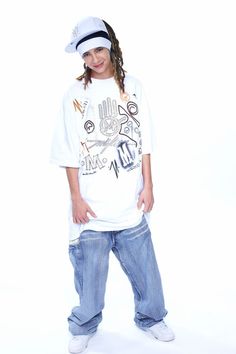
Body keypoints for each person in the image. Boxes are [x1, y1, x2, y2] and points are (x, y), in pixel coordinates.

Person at [50, 16, 175, 354]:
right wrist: (76, 198)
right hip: (91, 210)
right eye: (86, 54)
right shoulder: (75, 95)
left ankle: (151, 317)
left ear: (111, 46)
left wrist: (148, 185)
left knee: (147, 272)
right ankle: (85, 325)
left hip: (129, 205)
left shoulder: (132, 86)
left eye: (99, 49)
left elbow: (144, 140)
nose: (95, 58)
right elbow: (67, 152)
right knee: (89, 282)